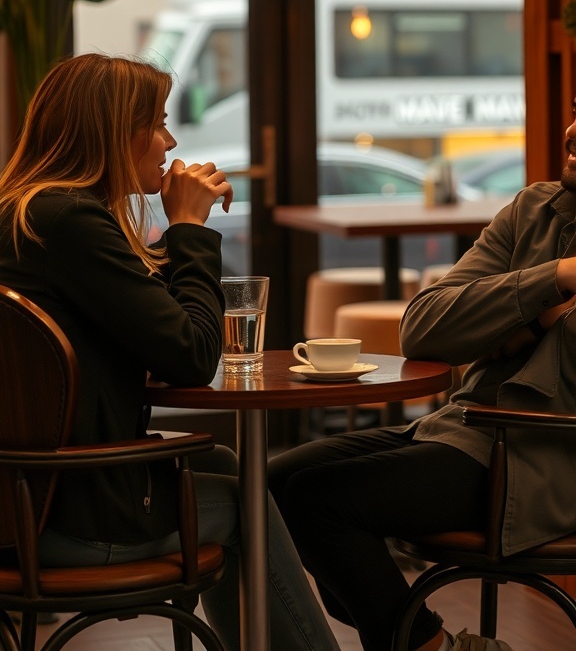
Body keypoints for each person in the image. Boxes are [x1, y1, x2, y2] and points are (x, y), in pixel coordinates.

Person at [0, 52, 341, 651]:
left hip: (22, 502)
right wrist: (188, 227)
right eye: (156, 122)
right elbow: (191, 355)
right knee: (243, 504)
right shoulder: (69, 221)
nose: (170, 139)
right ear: (112, 132)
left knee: (228, 469)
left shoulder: (26, 214)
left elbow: (150, 329)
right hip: (66, 514)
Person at [269, 103, 576, 651]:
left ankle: (428, 646)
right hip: (459, 427)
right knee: (272, 483)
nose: (572, 130)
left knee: (319, 500)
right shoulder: (536, 208)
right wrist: (550, 283)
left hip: (541, 454)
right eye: (575, 112)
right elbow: (424, 325)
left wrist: (501, 325)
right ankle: (408, 632)